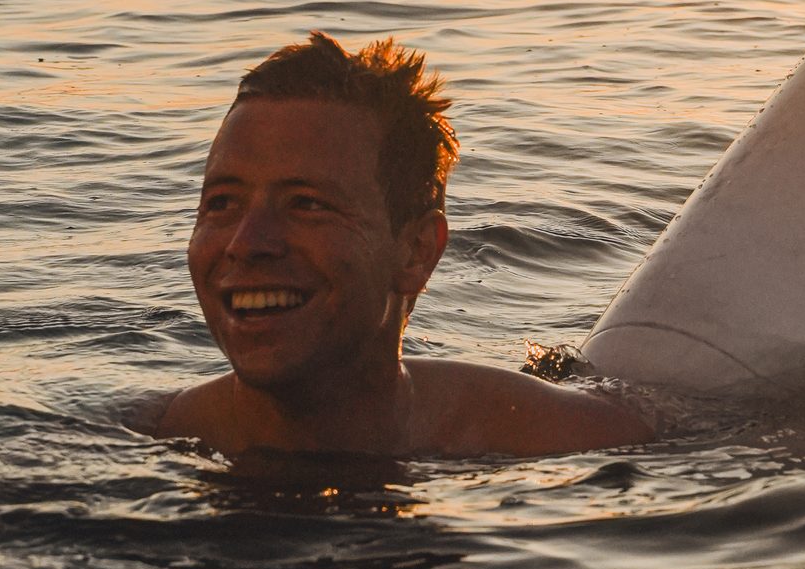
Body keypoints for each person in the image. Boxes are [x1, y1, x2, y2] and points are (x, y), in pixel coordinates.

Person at [132, 32, 646, 461]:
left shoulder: (576, 444)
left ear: (416, 251)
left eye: (306, 204)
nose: (246, 243)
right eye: (221, 203)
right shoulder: (139, 439)